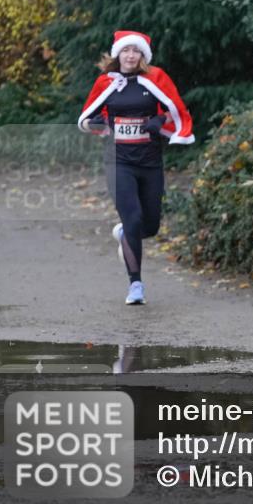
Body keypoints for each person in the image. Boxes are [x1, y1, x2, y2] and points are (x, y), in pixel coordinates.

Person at [78, 31, 194, 304]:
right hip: (119, 161)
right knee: (132, 219)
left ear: (143, 56)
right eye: (126, 50)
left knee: (150, 225)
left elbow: (174, 109)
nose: (131, 55)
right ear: (117, 53)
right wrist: (99, 124)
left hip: (150, 160)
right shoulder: (106, 82)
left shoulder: (156, 78)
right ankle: (136, 285)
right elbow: (88, 116)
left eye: (136, 51)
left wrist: (159, 120)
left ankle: (124, 234)